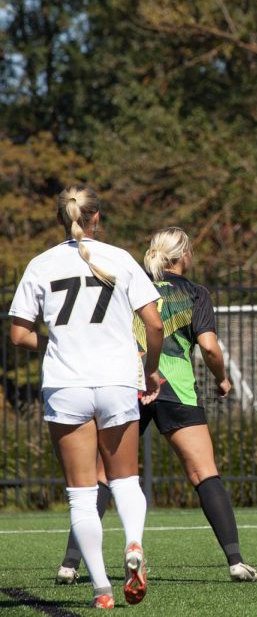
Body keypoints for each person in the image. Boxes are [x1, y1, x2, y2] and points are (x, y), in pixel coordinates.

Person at [55, 227, 257, 585]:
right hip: (176, 389)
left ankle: (70, 564)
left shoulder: (130, 283)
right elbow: (210, 348)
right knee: (204, 474)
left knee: (104, 476)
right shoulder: (194, 292)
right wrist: (222, 379)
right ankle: (235, 561)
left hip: (129, 385)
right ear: (183, 255)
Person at [8, 185, 164, 609]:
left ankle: (101, 589)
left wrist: (56, 343)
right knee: (126, 480)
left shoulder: (40, 264)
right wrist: (151, 368)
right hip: (115, 381)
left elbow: (19, 334)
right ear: (96, 218)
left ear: (62, 219)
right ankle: (133, 544)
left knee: (80, 493)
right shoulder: (120, 258)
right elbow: (154, 325)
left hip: (66, 384)